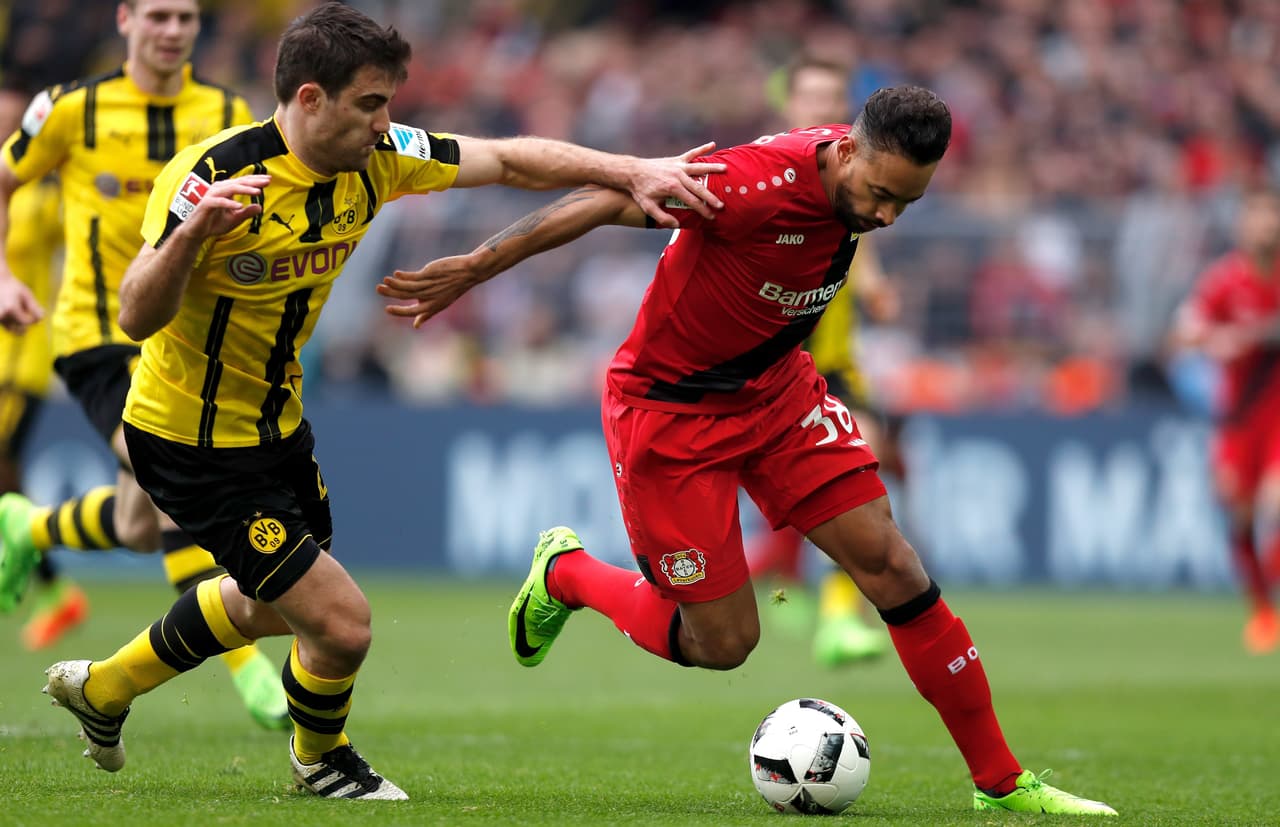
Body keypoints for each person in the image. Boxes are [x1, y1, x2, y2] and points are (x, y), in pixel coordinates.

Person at [38, 1, 723, 801]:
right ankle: (320, 760)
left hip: (278, 430)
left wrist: (630, 169)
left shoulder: (381, 156)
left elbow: (506, 160)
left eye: (388, 102)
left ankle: (106, 688)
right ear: (309, 100)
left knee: (270, 607)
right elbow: (135, 314)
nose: (386, 121)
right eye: (370, 103)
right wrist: (193, 236)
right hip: (188, 440)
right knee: (341, 622)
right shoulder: (214, 176)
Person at [380, 85, 1119, 816]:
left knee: (893, 563)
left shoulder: (859, 167)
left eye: (908, 203)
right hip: (672, 417)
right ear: (850, 151)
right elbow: (607, 199)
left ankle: (1001, 779)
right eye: (883, 193)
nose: (888, 215)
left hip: (777, 394)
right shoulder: (750, 188)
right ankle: (567, 573)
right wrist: (476, 266)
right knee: (726, 642)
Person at [0, 0, 292, 728]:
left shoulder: (228, 111)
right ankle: (244, 668)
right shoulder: (71, 109)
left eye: (186, 19)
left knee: (137, 523)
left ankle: (27, 528)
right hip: (96, 337)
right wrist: (4, 275)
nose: (172, 31)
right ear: (127, 19)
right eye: (158, 15)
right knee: (166, 486)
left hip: (181, 342)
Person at [748, 55, 903, 667]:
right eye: (810, 96)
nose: (821, 108)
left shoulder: (854, 181)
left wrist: (878, 292)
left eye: (831, 98)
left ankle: (839, 617)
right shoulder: (765, 171)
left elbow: (862, 259)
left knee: (861, 462)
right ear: (789, 105)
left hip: (831, 366)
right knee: (787, 510)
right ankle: (775, 589)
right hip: (760, 366)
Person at [1171, 186, 1280, 655]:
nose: (1265, 227)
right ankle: (1261, 610)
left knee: (1276, 507)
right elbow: (1186, 332)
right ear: (1243, 227)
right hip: (1239, 418)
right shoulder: (1224, 280)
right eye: (1257, 218)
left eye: (1271, 218)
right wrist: (1221, 338)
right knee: (1239, 517)